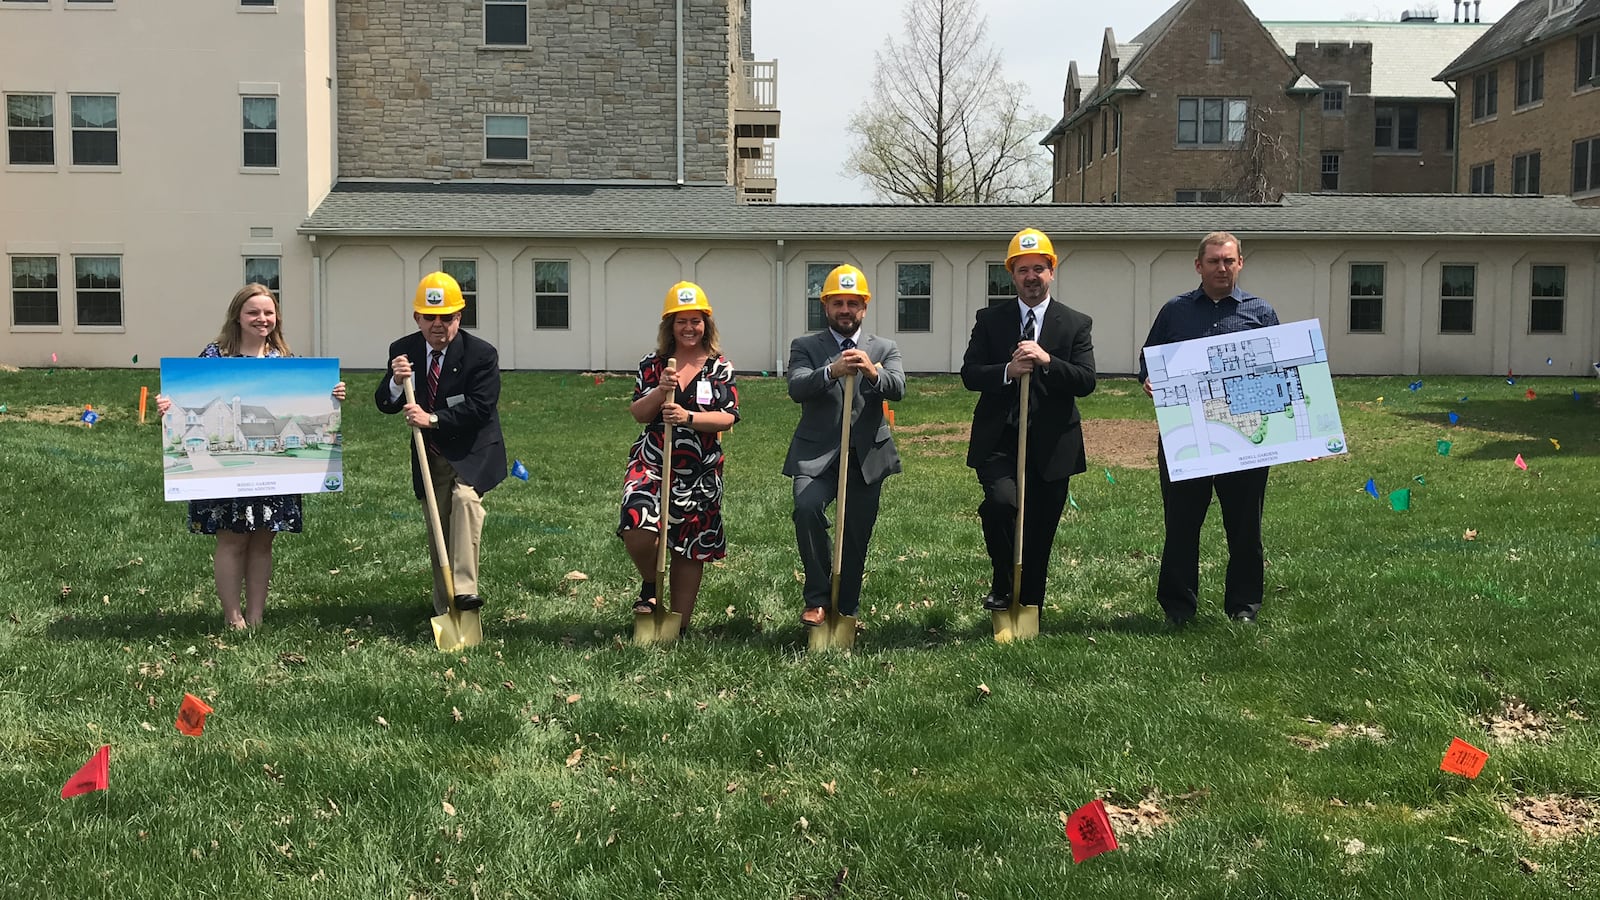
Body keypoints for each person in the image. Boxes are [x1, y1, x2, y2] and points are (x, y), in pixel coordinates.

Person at [155, 283, 346, 629]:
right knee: (232, 539)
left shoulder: (285, 362)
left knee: (263, 541)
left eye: (268, 312)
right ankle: (233, 618)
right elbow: (187, 402)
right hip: (225, 479)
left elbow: (306, 402)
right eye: (253, 312)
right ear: (238, 317)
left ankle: (256, 616)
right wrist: (167, 407)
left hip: (274, 476)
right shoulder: (214, 357)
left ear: (277, 317)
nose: (262, 319)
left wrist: (330, 395)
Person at [1139, 231, 1280, 626]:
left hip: (1245, 439)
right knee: (1181, 527)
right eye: (1214, 261)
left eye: (1229, 260)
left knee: (1245, 528)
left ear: (1241, 263)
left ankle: (1244, 608)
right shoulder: (1175, 311)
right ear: (1198, 266)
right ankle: (1178, 609)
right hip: (1186, 439)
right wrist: (1149, 378)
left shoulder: (1261, 312)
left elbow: (1280, 373)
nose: (1222, 267)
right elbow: (1148, 359)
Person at [961, 228, 1096, 612]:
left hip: (1054, 443)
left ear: (1052, 271)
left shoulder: (1075, 323)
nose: (1031, 277)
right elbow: (970, 373)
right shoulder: (990, 320)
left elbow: (1086, 381)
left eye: (1039, 268)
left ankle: (1031, 603)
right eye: (1023, 270)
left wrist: (1047, 361)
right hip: (999, 438)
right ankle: (1004, 583)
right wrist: (1007, 369)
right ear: (1012, 274)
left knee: (1039, 530)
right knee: (1002, 505)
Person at [376, 272, 506, 616]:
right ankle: (445, 610)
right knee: (439, 528)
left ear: (459, 318)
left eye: (446, 318)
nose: (438, 325)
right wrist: (395, 381)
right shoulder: (403, 350)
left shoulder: (480, 354)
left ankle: (464, 592)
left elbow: (480, 408)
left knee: (465, 501)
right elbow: (384, 402)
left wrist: (431, 419)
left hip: (472, 450)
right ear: (416, 317)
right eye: (429, 317)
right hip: (430, 455)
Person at [784, 265, 905, 627]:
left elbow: (898, 388)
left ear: (864, 308)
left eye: (853, 303)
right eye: (838, 303)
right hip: (817, 455)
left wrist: (872, 371)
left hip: (867, 456)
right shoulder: (806, 346)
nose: (846, 310)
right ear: (826, 307)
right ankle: (818, 599)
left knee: (855, 533)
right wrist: (831, 371)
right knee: (806, 508)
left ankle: (847, 607)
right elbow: (797, 387)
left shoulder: (885, 347)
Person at [618, 281, 741, 633]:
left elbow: (729, 415)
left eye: (696, 320)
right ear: (669, 326)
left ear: (707, 324)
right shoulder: (653, 364)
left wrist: (687, 417)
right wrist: (661, 390)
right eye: (680, 321)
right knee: (637, 525)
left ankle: (678, 626)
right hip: (653, 460)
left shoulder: (719, 367)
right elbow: (639, 413)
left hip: (699, 468)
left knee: (689, 545)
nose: (689, 328)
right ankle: (651, 584)